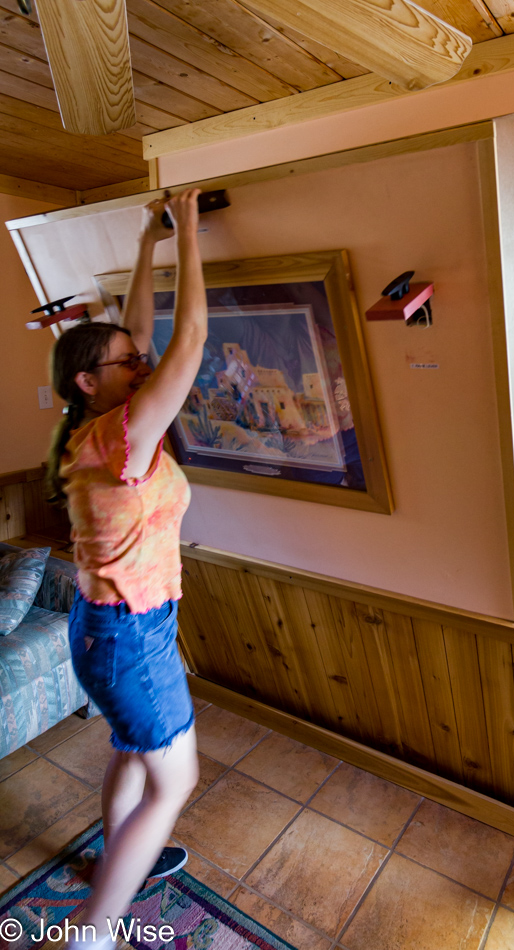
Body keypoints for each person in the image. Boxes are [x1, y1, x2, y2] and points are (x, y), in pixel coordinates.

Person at [45, 188, 208, 949]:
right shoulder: (125, 436)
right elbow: (189, 340)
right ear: (91, 381)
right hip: (129, 635)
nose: (140, 360)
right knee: (176, 780)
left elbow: (136, 332)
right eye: (127, 362)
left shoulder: (91, 427)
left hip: (108, 625)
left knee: (130, 751)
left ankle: (118, 865)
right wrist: (194, 229)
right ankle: (95, 929)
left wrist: (153, 238)